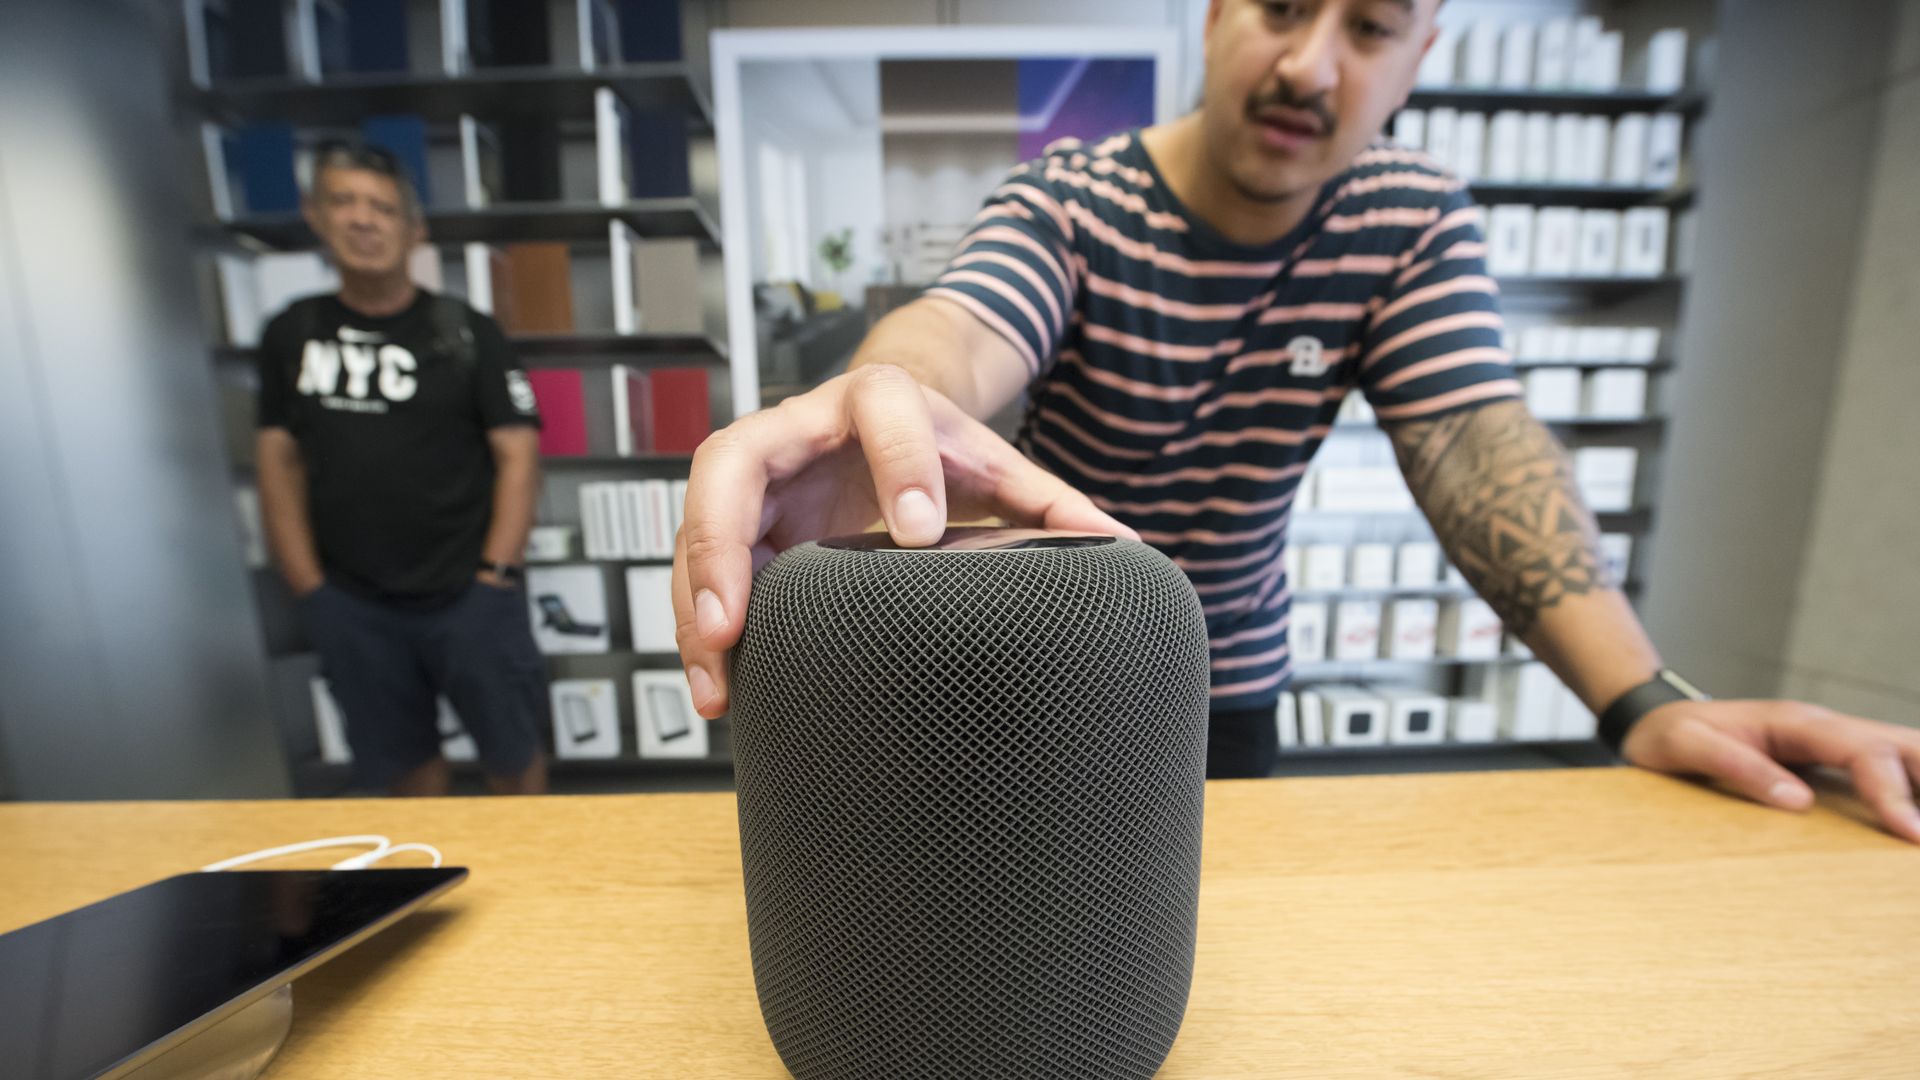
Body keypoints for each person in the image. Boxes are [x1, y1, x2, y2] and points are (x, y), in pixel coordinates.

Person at [673, 0, 1920, 840]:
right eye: (1278, 5)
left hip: (1234, 682)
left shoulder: (1411, 221)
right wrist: (884, 395)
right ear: (1214, 12)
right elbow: (963, 331)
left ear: (1418, 54)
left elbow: (1473, 442)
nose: (1312, 64)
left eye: (1370, 24)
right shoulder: (1069, 203)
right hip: (1055, 675)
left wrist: (1647, 700)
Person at [255, 143, 549, 797]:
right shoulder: (291, 335)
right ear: (315, 215)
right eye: (344, 202)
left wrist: (496, 575)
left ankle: (540, 888)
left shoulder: (467, 332)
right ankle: (431, 882)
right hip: (353, 602)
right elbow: (278, 461)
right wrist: (310, 588)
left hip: (470, 593)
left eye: (382, 207)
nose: (364, 220)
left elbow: (517, 454)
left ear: (413, 230)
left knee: (512, 750)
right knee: (402, 769)